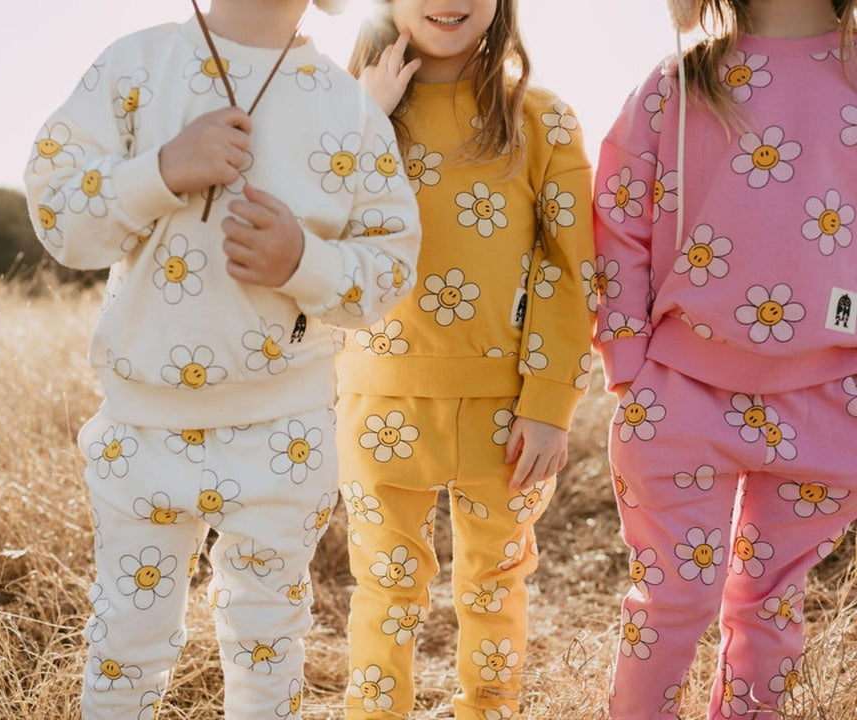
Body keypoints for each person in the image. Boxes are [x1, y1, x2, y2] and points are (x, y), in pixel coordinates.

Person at [23, 0, 421, 717]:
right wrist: (160, 170)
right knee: (125, 647)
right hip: (141, 431)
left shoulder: (349, 107)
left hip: (284, 434)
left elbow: (390, 265)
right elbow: (59, 218)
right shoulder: (136, 65)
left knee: (267, 648)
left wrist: (303, 262)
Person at [595, 0, 857, 717]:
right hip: (679, 390)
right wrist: (629, 360)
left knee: (770, 607)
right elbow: (619, 214)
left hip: (832, 396)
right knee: (672, 602)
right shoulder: (677, 83)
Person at [337, 1, 595, 716]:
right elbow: (310, 226)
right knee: (385, 590)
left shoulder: (541, 118)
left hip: (506, 411)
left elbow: (568, 269)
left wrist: (551, 403)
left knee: (493, 587)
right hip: (379, 402)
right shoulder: (343, 111)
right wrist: (360, 119)